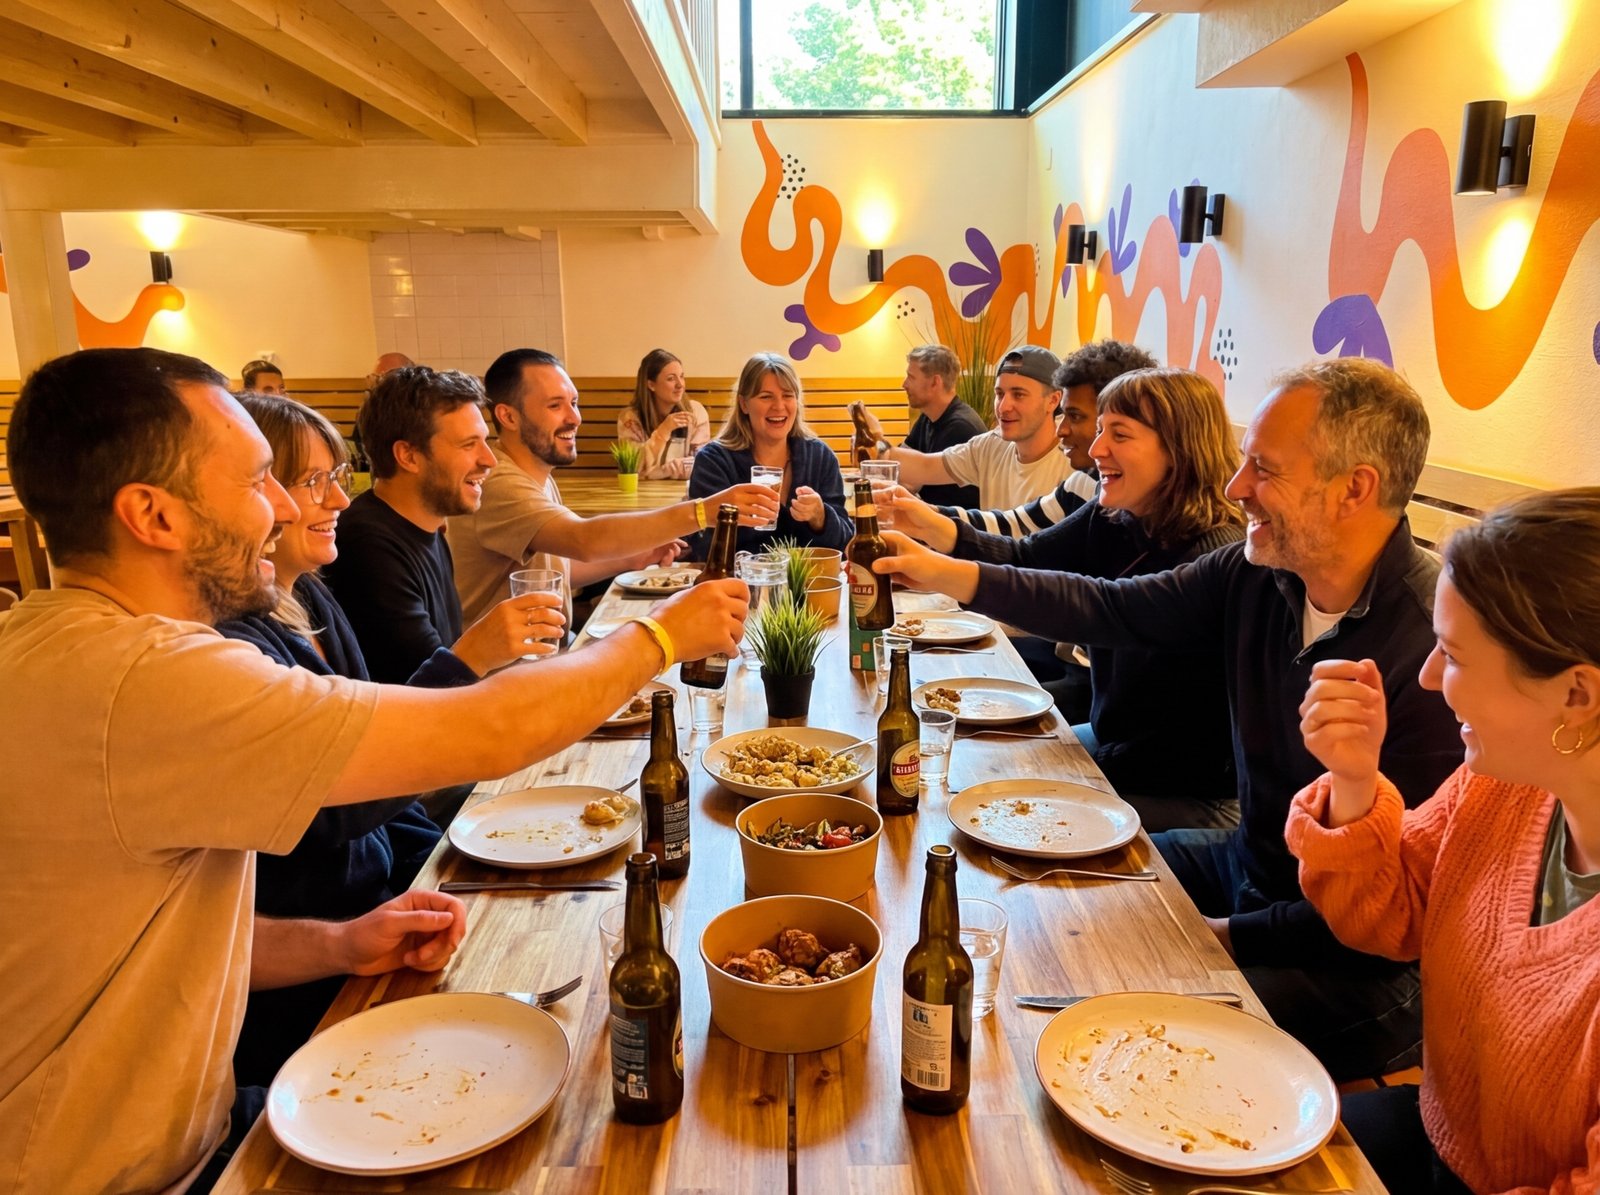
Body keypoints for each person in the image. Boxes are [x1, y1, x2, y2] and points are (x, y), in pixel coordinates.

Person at [0, 347, 746, 1193]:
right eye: (255, 482)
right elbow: (490, 727)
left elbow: (143, 930)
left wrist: (336, 943)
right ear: (151, 515)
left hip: (193, 1125)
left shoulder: (62, 646)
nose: (282, 504)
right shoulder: (140, 678)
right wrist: (658, 637)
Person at [873, 357, 1463, 1081]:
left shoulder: (1436, 650)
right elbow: (1111, 607)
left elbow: (1391, 924)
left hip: (1349, 965)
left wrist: (1210, 937)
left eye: (1264, 470)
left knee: (1116, 1010)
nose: (1237, 486)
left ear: (1356, 488)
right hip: (1247, 864)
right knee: (1043, 898)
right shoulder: (1259, 570)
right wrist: (941, 570)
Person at [217, 393, 561, 1088]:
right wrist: (469, 662)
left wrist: (435, 861)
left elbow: (373, 744)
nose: (340, 498)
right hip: (313, 974)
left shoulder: (310, 597)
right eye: (314, 481)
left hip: (379, 912)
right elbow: (340, 793)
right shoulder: (230, 645)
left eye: (338, 477)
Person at [1290, 488, 1600, 1194]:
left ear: (1578, 695)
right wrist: (1354, 780)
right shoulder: (1504, 784)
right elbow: (1389, 915)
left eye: (1453, 654)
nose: (1429, 677)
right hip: (1440, 1132)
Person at [889, 368, 1243, 828]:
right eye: (1099, 430)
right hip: (1116, 747)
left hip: (1186, 789)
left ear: (1179, 449)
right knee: (977, 773)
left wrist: (942, 572)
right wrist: (929, 525)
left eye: (1119, 434)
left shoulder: (1215, 553)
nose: (1097, 450)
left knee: (1006, 807)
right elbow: (1028, 556)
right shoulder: (1113, 514)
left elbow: (1097, 608)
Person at [448, 348, 778, 625]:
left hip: (538, 659)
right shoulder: (500, 483)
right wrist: (705, 510)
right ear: (508, 417)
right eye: (555, 405)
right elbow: (584, 540)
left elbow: (561, 568)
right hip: (497, 678)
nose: (575, 417)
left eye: (574, 403)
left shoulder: (536, 475)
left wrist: (630, 560)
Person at [323, 365, 503, 684]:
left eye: (485, 442)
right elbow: (434, 689)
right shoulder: (368, 545)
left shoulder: (428, 529)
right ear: (408, 456)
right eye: (468, 444)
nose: (489, 459)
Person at [924, 340, 1158, 538]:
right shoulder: (1084, 484)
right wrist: (924, 514)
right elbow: (1018, 531)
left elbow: (1081, 587)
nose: (1062, 430)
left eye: (1074, 416)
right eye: (1000, 394)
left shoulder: (1167, 533)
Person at [875, 345, 1094, 511]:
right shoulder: (991, 446)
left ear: (1053, 400)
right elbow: (926, 467)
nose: (1004, 406)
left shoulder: (1074, 464)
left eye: (1018, 394)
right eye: (1000, 394)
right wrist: (876, 445)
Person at [685, 351, 852, 558]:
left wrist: (821, 517)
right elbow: (703, 548)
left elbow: (847, 542)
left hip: (809, 586)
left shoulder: (820, 458)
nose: (779, 406)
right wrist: (734, 519)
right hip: (738, 587)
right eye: (766, 397)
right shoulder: (714, 461)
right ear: (744, 404)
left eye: (787, 396)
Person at [850, 344, 986, 506]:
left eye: (911, 377)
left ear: (935, 382)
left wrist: (875, 437)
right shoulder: (927, 419)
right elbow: (900, 471)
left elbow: (912, 482)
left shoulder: (960, 428)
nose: (904, 384)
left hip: (955, 525)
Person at [616, 348, 710, 479]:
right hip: (643, 494)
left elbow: (701, 464)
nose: (680, 385)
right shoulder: (630, 419)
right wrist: (663, 431)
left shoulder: (695, 411)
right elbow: (633, 467)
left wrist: (662, 471)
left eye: (682, 376)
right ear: (651, 385)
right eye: (671, 379)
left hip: (683, 492)